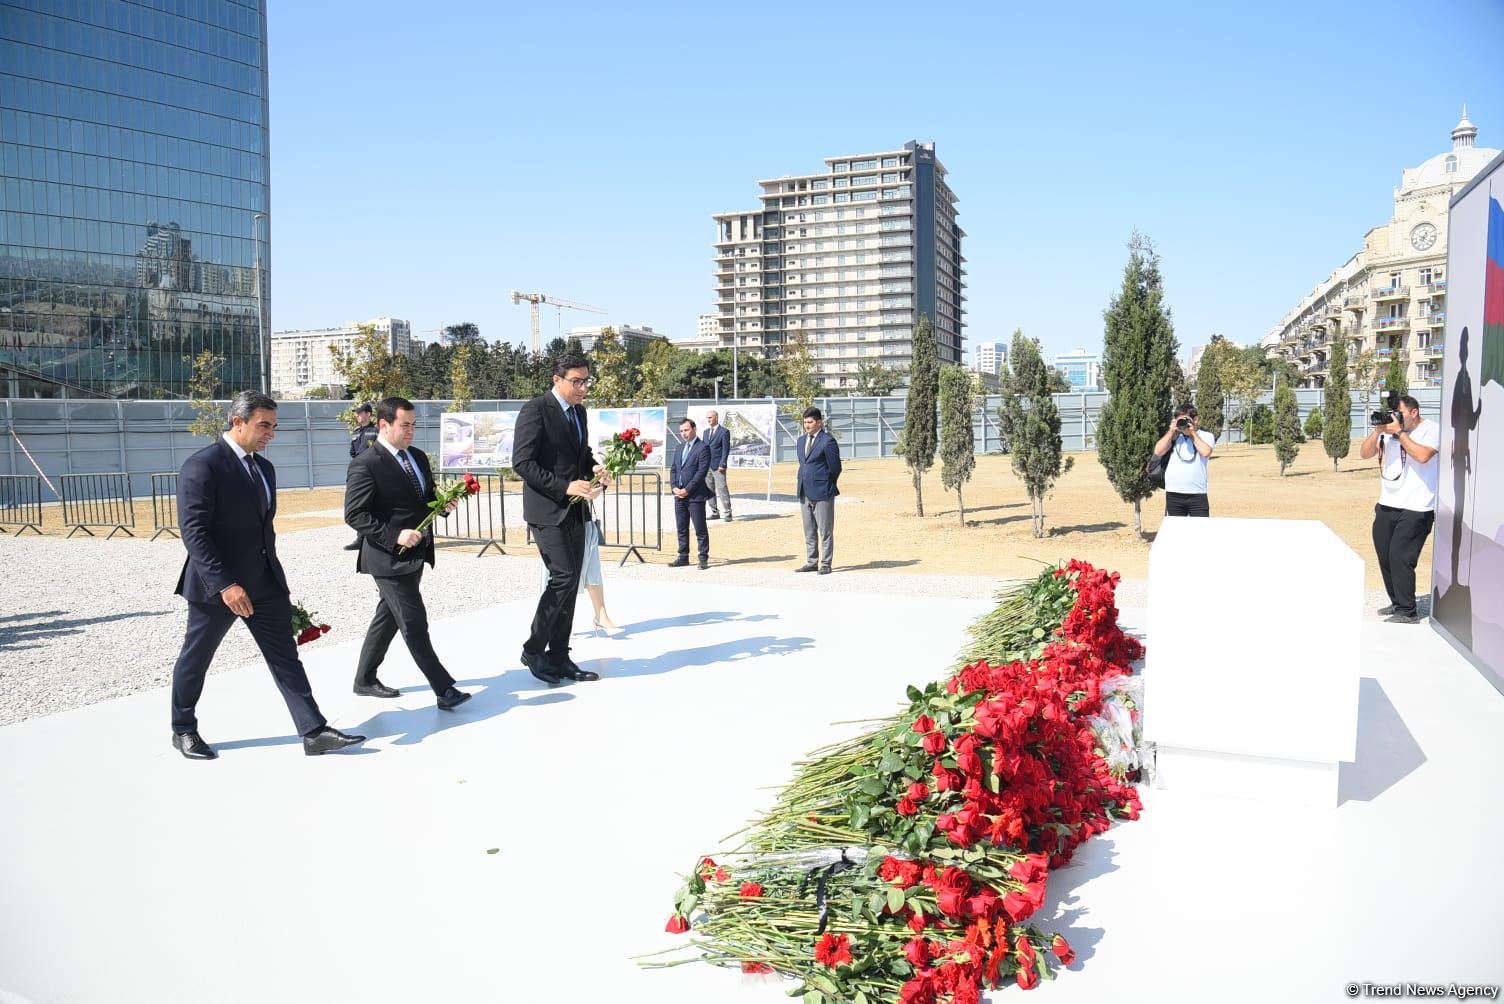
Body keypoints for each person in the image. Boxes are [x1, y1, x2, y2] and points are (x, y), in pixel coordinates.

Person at [168, 390, 366, 760]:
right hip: (218, 588)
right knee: (196, 658)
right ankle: (183, 729)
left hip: (264, 583)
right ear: (237, 422)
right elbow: (194, 532)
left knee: (285, 657)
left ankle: (313, 731)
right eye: (263, 426)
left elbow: (263, 531)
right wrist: (225, 584)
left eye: (273, 427)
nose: (270, 434)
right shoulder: (203, 466)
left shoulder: (264, 468)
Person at [343, 396, 472, 711]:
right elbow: (354, 514)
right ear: (384, 425)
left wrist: (442, 506)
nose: (412, 430)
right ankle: (444, 688)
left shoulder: (416, 456)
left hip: (416, 554)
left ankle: (364, 679)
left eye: (414, 424)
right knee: (414, 621)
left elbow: (424, 497)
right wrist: (394, 534)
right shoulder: (366, 463)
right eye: (405, 425)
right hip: (387, 558)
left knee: (387, 617)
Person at [512, 354, 610, 685]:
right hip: (546, 511)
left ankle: (559, 655)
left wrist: (595, 469)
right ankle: (534, 649)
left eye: (586, 381)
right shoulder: (535, 410)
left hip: (576, 510)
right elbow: (523, 463)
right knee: (563, 577)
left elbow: (579, 455)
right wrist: (565, 486)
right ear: (557, 379)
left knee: (571, 584)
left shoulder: (579, 413)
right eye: (577, 381)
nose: (583, 388)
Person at [1360, 393, 1440, 624]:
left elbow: (1423, 456)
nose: (1396, 418)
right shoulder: (1389, 431)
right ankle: (1397, 603)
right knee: (1385, 556)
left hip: (1417, 506)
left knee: (1401, 557)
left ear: (1414, 412)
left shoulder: (1431, 430)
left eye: (1400, 414)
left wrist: (1399, 433)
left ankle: (1407, 611)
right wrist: (1378, 431)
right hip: (1387, 503)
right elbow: (1365, 454)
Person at [794, 406, 841, 575]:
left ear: (819, 422)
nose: (807, 425)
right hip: (804, 491)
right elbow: (804, 464)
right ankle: (811, 561)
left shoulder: (828, 441)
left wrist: (826, 483)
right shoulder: (800, 441)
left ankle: (826, 563)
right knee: (809, 530)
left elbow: (836, 467)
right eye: (805, 422)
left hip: (822, 491)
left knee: (825, 530)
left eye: (810, 422)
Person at [1153, 404, 1215, 517]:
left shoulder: (1206, 436)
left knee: (1201, 531)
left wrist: (1192, 433)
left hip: (1197, 493)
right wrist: (1171, 431)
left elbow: (1206, 452)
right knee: (1176, 532)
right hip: (1174, 492)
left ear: (1195, 419)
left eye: (1185, 420)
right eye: (1179, 420)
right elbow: (1158, 451)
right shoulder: (1174, 436)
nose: (1183, 423)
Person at [669, 417, 712, 569]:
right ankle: (683, 556)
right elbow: (674, 469)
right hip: (679, 496)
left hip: (695, 496)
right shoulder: (679, 448)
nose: (683, 433)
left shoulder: (703, 448)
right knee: (681, 527)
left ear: (694, 429)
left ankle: (703, 557)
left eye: (686, 430)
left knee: (700, 528)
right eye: (681, 431)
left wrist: (687, 490)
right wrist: (674, 487)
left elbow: (701, 472)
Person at [344, 404, 379, 550]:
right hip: (359, 471)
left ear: (368, 414)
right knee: (358, 503)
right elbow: (353, 452)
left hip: (374, 471)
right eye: (356, 413)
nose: (357, 416)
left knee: (373, 503)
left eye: (360, 413)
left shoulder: (376, 431)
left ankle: (372, 537)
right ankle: (360, 538)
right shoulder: (356, 432)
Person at [703, 410, 733, 521]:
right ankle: (715, 512)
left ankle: (728, 512)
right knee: (709, 489)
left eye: (710, 417)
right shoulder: (706, 432)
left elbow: (726, 449)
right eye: (707, 418)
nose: (708, 420)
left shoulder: (724, 432)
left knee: (722, 488)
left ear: (716, 417)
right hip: (707, 466)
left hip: (718, 466)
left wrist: (723, 463)